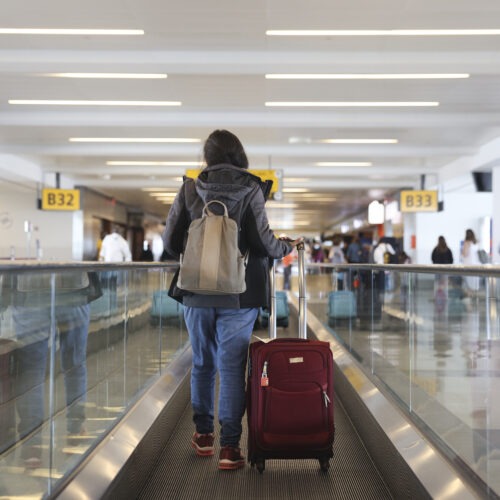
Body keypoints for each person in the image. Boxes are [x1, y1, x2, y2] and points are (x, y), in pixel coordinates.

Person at [162, 129, 297, 470]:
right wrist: (287, 246)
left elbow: (170, 241)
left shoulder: (190, 188)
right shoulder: (251, 189)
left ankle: (203, 435)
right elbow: (265, 243)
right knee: (233, 368)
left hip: (195, 292)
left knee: (203, 363)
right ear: (239, 156)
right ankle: (229, 448)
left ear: (207, 157)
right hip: (239, 295)